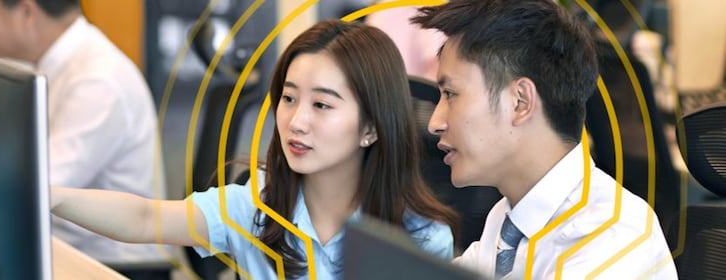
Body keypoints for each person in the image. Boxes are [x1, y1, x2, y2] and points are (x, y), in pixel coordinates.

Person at [51, 20, 458, 279]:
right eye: (288, 98)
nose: (296, 121)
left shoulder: (422, 240)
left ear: (370, 127)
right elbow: (144, 218)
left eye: (321, 105)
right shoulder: (255, 207)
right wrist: (50, 196)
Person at [409, 0, 678, 278]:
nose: (434, 123)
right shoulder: (510, 217)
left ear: (520, 101)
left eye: (451, 94)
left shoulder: (609, 238)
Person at [0, 0, 169, 267]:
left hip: (111, 265)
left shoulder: (97, 82)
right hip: (67, 246)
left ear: (27, 12)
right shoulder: (59, 65)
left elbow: (35, 190)